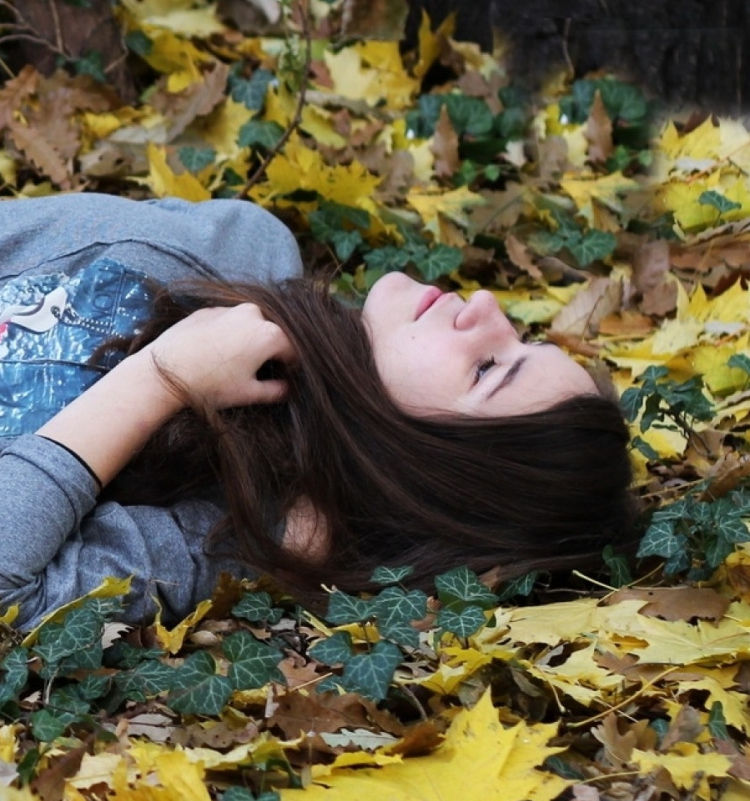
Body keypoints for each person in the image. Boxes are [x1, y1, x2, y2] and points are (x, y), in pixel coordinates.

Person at [0, 194, 633, 631]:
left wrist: (162, 379)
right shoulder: (241, 245)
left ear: (422, 471)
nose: (487, 307)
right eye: (524, 336)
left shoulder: (219, 531)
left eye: (487, 369)